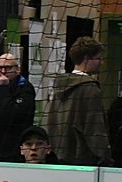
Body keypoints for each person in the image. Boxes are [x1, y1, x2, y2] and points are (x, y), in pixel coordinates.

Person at [45, 36, 111, 166]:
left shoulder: (60, 85)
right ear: (86, 58)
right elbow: (94, 127)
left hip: (59, 153)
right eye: (98, 58)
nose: (101, 62)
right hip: (83, 158)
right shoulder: (89, 88)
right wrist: (105, 156)